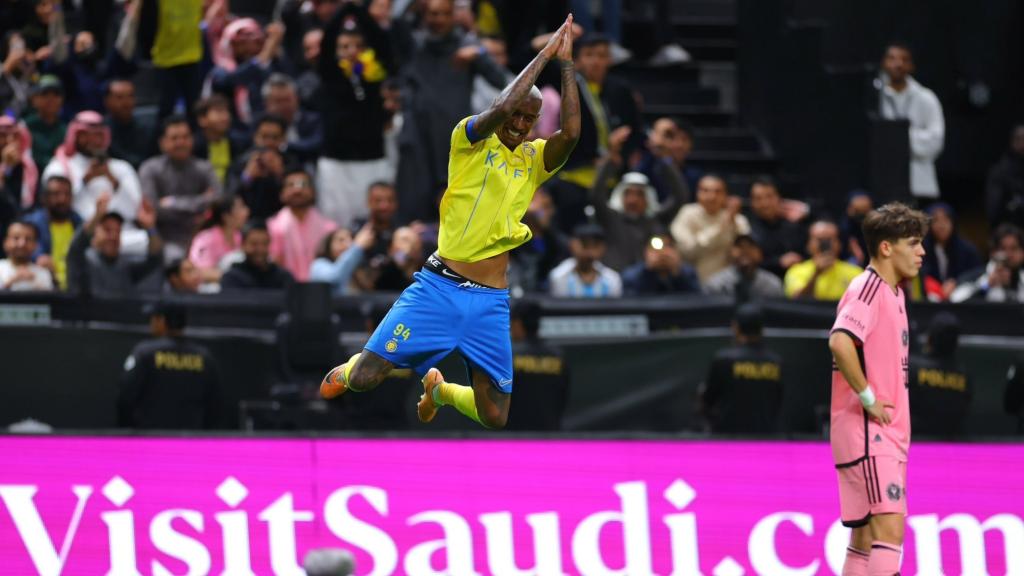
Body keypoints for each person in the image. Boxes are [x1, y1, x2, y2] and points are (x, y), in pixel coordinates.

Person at [320, 16, 580, 429]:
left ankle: (440, 391)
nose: (519, 123)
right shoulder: (469, 140)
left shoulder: (532, 161)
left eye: (528, 119)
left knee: (494, 415)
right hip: (438, 290)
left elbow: (571, 135)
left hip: (490, 302)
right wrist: (544, 55)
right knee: (367, 379)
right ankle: (348, 370)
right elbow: (501, 108)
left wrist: (566, 65)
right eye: (516, 114)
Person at [827, 202, 928, 574]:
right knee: (890, 531)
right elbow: (840, 341)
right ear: (887, 247)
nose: (922, 252)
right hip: (870, 434)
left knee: (865, 539)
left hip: (882, 435)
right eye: (914, 243)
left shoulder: (895, 292)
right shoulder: (867, 287)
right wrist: (868, 398)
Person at [393, 0, 510, 223]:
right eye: (433, 14)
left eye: (444, 14)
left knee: (456, 212)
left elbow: (501, 81)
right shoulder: (414, 44)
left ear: (453, 16)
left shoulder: (467, 45)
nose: (438, 20)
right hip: (418, 139)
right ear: (424, 15)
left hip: (453, 141)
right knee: (414, 209)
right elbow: (396, 20)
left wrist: (479, 54)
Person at [546, 32, 642, 232]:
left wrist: (618, 155)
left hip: (611, 176)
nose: (596, 61)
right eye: (589, 55)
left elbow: (635, 131)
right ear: (578, 60)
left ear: (609, 60)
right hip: (573, 174)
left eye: (602, 55)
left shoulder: (621, 90)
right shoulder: (566, 85)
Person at [315, 1, 394, 226]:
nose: (352, 51)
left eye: (358, 46)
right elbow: (327, 41)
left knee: (374, 221)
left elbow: (382, 43)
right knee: (335, 225)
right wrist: (345, 8)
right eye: (345, 46)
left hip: (372, 159)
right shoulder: (330, 75)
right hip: (336, 163)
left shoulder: (374, 75)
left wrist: (358, 11)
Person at [42, 110, 146, 253]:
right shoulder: (59, 167)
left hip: (123, 235)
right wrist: (86, 179)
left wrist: (111, 178)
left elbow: (135, 210)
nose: (92, 141)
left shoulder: (122, 168)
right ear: (75, 136)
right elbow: (56, 206)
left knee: (145, 241)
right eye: (85, 135)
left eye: (97, 135)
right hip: (82, 234)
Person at [590, 125, 688, 271]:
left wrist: (664, 160)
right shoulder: (610, 218)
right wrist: (611, 159)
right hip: (615, 285)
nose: (633, 200)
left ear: (648, 198)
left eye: (639, 194)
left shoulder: (656, 219)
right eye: (628, 193)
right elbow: (596, 195)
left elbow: (680, 196)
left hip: (647, 284)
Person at [118, 302, 222, 429]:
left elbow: (126, 396)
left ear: (161, 321)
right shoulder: (204, 358)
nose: (151, 324)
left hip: (150, 437)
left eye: (153, 319)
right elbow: (215, 405)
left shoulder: (145, 353)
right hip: (192, 440)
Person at [138, 115, 221, 258]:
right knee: (174, 257)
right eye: (174, 138)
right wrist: (201, 202)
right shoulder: (150, 169)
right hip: (165, 237)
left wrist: (173, 202)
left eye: (185, 137)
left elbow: (218, 199)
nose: (181, 142)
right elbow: (153, 209)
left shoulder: (204, 167)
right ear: (162, 143)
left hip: (203, 234)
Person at [700, 303, 783, 434]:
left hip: (727, 439)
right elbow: (778, 403)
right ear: (762, 329)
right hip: (766, 439)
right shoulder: (775, 363)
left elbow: (707, 401)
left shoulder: (723, 360)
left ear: (735, 327)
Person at [877, 43, 944, 200]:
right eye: (892, 58)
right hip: (881, 181)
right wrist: (914, 138)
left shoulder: (926, 98)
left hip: (919, 185)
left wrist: (895, 137)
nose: (898, 64)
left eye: (904, 59)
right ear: (883, 63)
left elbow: (935, 142)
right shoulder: (874, 96)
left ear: (912, 65)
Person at [66, 195, 163, 297]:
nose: (113, 236)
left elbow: (154, 259)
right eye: (107, 230)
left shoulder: (125, 266)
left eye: (118, 231)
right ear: (94, 233)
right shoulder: (83, 260)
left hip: (121, 312)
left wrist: (151, 228)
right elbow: (77, 246)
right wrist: (97, 216)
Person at [671, 174, 751, 282]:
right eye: (705, 191)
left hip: (729, 284)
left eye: (717, 192)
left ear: (725, 195)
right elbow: (689, 251)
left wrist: (732, 224)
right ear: (697, 193)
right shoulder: (686, 214)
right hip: (693, 284)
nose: (711, 196)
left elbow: (746, 254)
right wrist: (722, 226)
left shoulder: (738, 219)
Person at [507, 299, 570, 431]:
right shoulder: (558, 357)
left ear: (518, 324)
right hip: (549, 435)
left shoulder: (508, 357)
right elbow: (563, 399)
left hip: (514, 437)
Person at [267, 168, 338, 281]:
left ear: (313, 192)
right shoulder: (272, 228)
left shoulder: (329, 229)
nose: (297, 190)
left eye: (303, 184)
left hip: (320, 291)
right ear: (282, 194)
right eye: (291, 185)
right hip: (285, 292)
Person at [909, 312, 971, 437]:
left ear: (929, 338)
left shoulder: (911, 368)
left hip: (916, 441)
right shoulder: (965, 376)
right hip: (954, 445)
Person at [226, 115, 290, 220]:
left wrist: (280, 175)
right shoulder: (240, 162)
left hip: (282, 222)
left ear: (283, 139)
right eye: (264, 137)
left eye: (275, 137)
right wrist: (247, 177)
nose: (269, 142)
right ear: (255, 137)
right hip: (248, 222)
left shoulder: (290, 162)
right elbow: (229, 196)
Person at [23, 174, 81, 289]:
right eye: (56, 194)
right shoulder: (31, 223)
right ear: (43, 198)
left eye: (67, 194)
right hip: (44, 288)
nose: (62, 199)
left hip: (76, 290)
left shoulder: (78, 223)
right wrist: (38, 258)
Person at [784, 219, 863, 301]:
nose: (825, 244)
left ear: (839, 244)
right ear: (808, 245)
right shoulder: (795, 271)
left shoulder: (856, 273)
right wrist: (816, 274)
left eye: (829, 239)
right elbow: (798, 304)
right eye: (820, 240)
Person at [746, 176, 805, 279]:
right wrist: (778, 262)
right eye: (758, 198)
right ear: (752, 202)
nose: (765, 203)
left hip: (795, 281)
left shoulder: (793, 226)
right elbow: (748, 262)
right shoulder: (746, 228)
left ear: (779, 198)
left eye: (769, 196)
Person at [920, 203, 980, 301]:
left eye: (946, 219)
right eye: (936, 220)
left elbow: (979, 273)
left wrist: (957, 282)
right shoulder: (922, 248)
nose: (941, 225)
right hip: (930, 300)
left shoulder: (967, 250)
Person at [950, 224, 1024, 303]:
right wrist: (987, 285)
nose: (1008, 254)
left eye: (1014, 248)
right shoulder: (974, 277)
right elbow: (956, 301)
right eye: (1002, 248)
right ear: (992, 253)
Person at [635, 117, 702, 201]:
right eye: (673, 139)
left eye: (684, 139)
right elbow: (637, 176)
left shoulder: (695, 176)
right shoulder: (649, 168)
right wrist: (656, 148)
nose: (679, 145)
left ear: (691, 145)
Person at [548, 222, 622, 298]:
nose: (590, 251)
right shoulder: (559, 276)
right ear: (573, 244)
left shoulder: (612, 279)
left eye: (594, 245)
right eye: (585, 245)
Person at [188, 195, 249, 286]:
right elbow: (199, 271)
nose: (247, 211)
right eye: (240, 208)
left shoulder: (240, 237)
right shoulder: (206, 239)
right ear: (226, 216)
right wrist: (235, 277)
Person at [262, 73, 323, 164]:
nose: (283, 105)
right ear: (267, 103)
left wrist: (283, 146)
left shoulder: (314, 120)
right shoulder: (261, 123)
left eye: (287, 100)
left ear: (297, 98)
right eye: (278, 101)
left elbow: (317, 144)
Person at [704, 234, 784, 301]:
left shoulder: (772, 284)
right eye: (740, 246)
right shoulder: (716, 284)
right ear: (730, 252)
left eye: (751, 246)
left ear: (760, 253)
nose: (745, 251)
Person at [220, 221, 295, 292]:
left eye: (264, 243)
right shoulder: (233, 279)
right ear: (243, 245)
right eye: (254, 244)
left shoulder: (283, 278)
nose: (260, 249)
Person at [621, 233, 699, 296]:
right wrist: (648, 271)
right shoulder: (632, 275)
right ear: (646, 251)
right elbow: (631, 303)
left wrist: (677, 273)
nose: (663, 253)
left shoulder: (688, 272)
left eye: (668, 246)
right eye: (655, 248)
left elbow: (696, 301)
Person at [193, 95, 247, 185]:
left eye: (227, 111)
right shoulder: (193, 146)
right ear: (202, 119)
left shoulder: (238, 145)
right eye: (219, 112)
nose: (225, 117)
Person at [103, 79, 156, 170]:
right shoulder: (101, 132)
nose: (126, 103)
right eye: (119, 97)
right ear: (107, 101)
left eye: (130, 96)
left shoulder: (147, 128)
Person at [310, 224, 375, 295]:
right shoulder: (319, 265)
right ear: (328, 245)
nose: (348, 245)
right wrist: (357, 247)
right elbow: (334, 278)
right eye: (341, 240)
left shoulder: (354, 270)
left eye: (351, 240)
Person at [24, 75, 67, 172]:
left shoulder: (66, 130)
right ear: (34, 99)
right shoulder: (24, 127)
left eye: (56, 94)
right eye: (45, 94)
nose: (51, 99)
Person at [986, 123, 1024, 229]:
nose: (1023, 144)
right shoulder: (1000, 170)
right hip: (1009, 227)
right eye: (1019, 139)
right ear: (1012, 142)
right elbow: (994, 207)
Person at [0, 115, 38, 212]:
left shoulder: (29, 168)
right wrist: (6, 167)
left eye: (15, 136)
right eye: (3, 136)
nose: (10, 141)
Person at [0, 221, 52, 290]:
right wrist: (12, 280)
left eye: (28, 239)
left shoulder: (43, 272)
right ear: (5, 242)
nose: (22, 244)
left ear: (35, 245)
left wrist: (33, 280)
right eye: (16, 238)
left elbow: (49, 298)